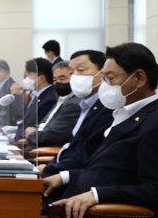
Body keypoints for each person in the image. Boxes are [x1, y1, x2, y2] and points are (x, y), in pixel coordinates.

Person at [41, 43, 158, 218]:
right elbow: (109, 169)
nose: (104, 85)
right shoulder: (125, 115)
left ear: (139, 78)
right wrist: (65, 176)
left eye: (110, 78)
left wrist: (97, 195)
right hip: (77, 211)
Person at [41, 50, 113, 180]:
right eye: (72, 72)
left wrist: (50, 170)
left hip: (76, 179)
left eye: (81, 70)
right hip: (62, 168)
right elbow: (73, 148)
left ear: (103, 73)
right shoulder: (85, 105)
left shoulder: (107, 108)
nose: (75, 77)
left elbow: (86, 156)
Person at [18, 61, 81, 149]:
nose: (58, 82)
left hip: (43, 151)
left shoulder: (72, 104)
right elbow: (43, 125)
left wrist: (31, 134)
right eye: (55, 80)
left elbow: (53, 136)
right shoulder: (60, 98)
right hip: (35, 146)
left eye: (62, 79)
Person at [12, 57, 56, 140]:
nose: (26, 79)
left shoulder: (50, 99)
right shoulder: (37, 95)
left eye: (29, 75)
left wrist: (16, 137)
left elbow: (35, 127)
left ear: (41, 78)